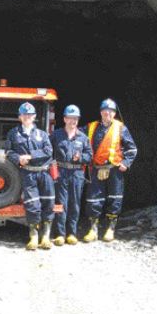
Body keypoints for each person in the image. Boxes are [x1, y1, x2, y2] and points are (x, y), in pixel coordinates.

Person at [83, 98, 137, 243]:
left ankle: (110, 229)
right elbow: (76, 136)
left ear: (114, 113)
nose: (108, 113)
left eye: (111, 111)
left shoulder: (121, 128)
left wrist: (126, 162)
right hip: (96, 169)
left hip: (114, 170)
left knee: (115, 199)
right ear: (101, 112)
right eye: (105, 110)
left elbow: (132, 148)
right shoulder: (91, 127)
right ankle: (93, 229)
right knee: (93, 199)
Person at [5, 102, 54, 250]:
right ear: (20, 117)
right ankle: (33, 236)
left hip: (44, 173)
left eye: (30, 115)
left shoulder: (42, 134)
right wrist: (18, 158)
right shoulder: (13, 133)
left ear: (34, 117)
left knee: (48, 203)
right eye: (24, 115)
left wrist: (30, 155)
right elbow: (8, 152)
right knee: (32, 205)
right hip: (27, 173)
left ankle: (45, 237)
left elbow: (48, 151)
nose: (27, 117)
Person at [51, 105, 92, 246]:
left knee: (74, 203)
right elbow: (48, 153)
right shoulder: (56, 135)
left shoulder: (83, 138)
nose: (73, 121)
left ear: (78, 120)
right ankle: (59, 234)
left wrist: (80, 157)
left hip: (77, 173)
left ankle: (72, 233)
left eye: (75, 118)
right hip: (61, 172)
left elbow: (89, 156)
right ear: (64, 119)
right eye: (70, 118)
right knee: (60, 204)